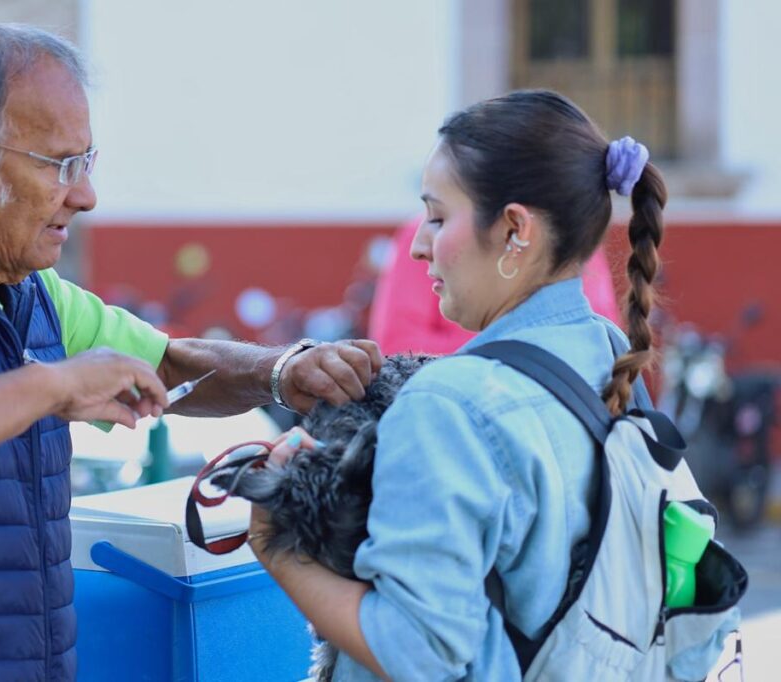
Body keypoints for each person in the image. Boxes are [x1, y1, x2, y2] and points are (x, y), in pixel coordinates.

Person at [0, 24, 381, 681]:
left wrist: (283, 372)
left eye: (87, 163)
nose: (85, 195)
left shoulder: (29, 291)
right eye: (58, 165)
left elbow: (165, 365)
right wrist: (50, 387)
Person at [248, 90, 722, 680]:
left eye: (439, 217)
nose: (420, 245)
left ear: (514, 230)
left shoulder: (447, 405)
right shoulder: (604, 350)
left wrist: (276, 544)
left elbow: (417, 652)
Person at [367, 213, 621, 355]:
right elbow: (397, 347)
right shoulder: (427, 239)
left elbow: (601, 344)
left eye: (440, 210)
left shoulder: (574, 244)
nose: (420, 247)